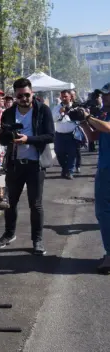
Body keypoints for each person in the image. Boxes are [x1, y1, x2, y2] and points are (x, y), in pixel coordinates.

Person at [0, 78, 54, 255]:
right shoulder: (9, 113)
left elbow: (50, 136)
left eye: (27, 94)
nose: (24, 98)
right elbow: (5, 141)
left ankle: (37, 240)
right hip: (15, 164)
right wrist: (1, 136)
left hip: (35, 164)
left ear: (32, 93)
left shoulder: (43, 110)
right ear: (15, 96)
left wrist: (29, 140)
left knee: (35, 205)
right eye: (20, 96)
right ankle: (9, 234)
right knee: (10, 202)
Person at [83, 83, 110, 273]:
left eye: (108, 95)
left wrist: (88, 117)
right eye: (104, 95)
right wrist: (82, 121)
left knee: (105, 212)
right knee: (103, 213)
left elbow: (108, 128)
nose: (105, 98)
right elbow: (93, 137)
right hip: (104, 168)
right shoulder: (104, 113)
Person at [52, 89, 79, 179]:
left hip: (72, 134)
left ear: (70, 97)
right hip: (60, 134)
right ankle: (65, 168)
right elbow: (53, 119)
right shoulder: (57, 108)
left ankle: (70, 171)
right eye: (62, 96)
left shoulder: (75, 107)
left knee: (72, 153)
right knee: (59, 153)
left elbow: (79, 119)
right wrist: (60, 112)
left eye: (65, 96)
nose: (64, 98)